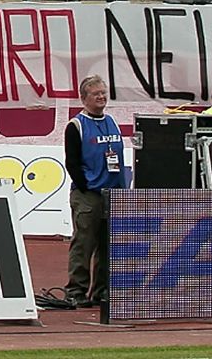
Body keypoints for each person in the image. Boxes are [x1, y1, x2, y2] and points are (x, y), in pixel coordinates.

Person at [64, 74, 126, 310]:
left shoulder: (112, 121)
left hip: (113, 193)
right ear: (84, 98)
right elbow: (72, 162)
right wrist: (85, 185)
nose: (101, 97)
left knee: (107, 245)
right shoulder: (76, 125)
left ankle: (101, 291)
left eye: (103, 92)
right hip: (88, 194)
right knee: (83, 243)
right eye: (96, 93)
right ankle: (76, 290)